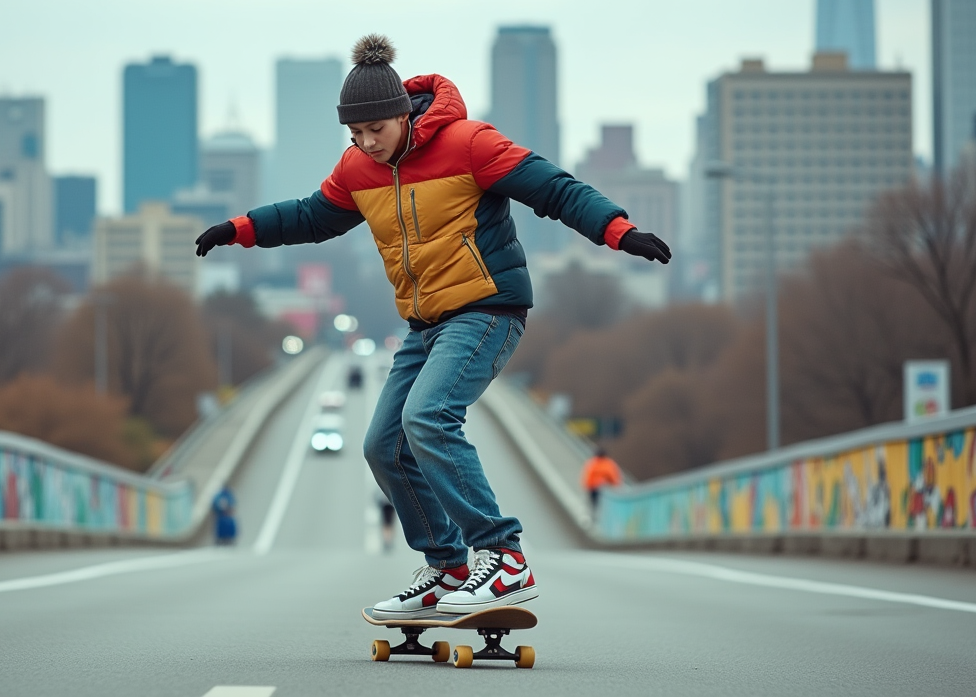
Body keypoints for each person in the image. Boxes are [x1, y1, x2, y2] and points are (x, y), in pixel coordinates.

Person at [195, 35, 670, 616]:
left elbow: (554, 189)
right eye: (355, 135)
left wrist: (618, 230)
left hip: (487, 310)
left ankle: (505, 557)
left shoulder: (469, 144)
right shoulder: (358, 168)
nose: (367, 144)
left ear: (403, 113)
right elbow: (311, 217)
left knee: (428, 418)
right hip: (425, 327)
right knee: (383, 445)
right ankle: (447, 568)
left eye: (376, 130)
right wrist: (239, 228)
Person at [581, 448, 623, 513]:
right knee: (598, 503)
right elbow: (614, 477)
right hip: (597, 488)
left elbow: (588, 476)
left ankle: (594, 514)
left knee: (595, 503)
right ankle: (595, 514)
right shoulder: (608, 464)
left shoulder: (593, 463)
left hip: (597, 488)